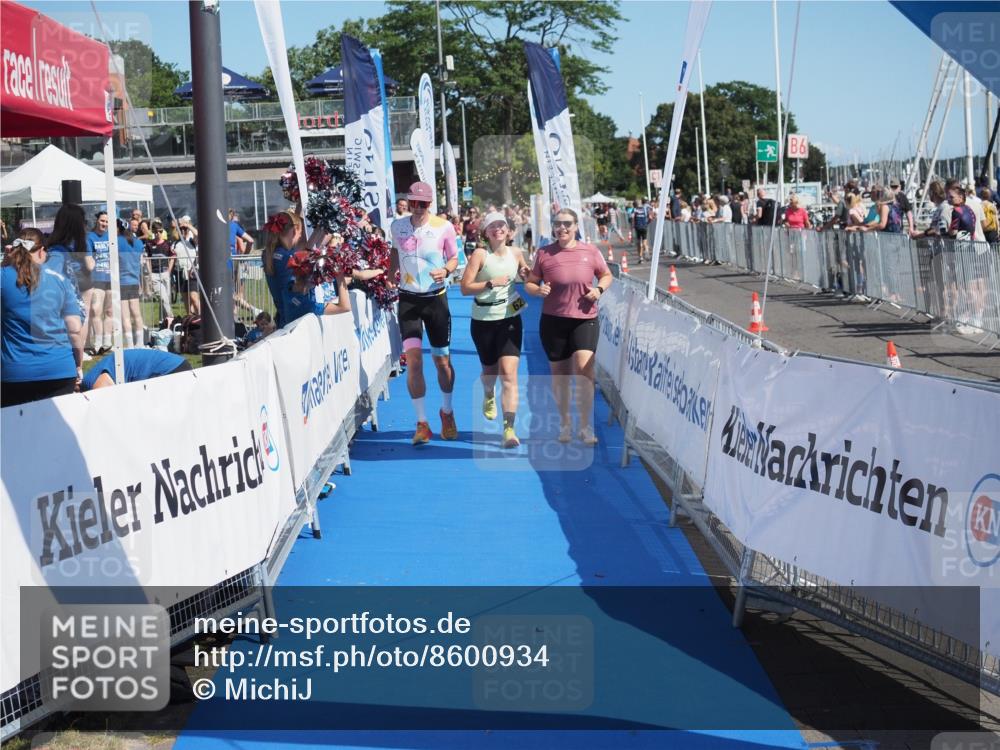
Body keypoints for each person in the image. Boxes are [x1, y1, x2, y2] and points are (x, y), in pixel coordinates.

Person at [524, 208, 613, 446]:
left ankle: (585, 426)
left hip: (585, 318)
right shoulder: (544, 253)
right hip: (554, 320)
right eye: (557, 224)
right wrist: (538, 290)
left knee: (584, 371)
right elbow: (530, 284)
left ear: (575, 226)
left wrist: (599, 290)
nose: (561, 228)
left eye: (567, 224)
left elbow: (606, 275)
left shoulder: (590, 251)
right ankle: (565, 424)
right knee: (560, 375)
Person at [389, 181, 460, 445]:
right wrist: (389, 274)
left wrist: (447, 270)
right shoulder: (398, 226)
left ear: (430, 204)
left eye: (423, 204)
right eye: (413, 203)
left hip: (436, 301)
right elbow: (394, 250)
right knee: (414, 361)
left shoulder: (444, 227)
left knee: (442, 362)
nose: (417, 209)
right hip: (408, 301)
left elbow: (454, 258)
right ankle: (422, 423)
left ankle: (447, 412)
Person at [459, 211, 530, 448]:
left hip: (510, 317)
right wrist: (490, 283)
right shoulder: (480, 254)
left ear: (509, 231)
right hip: (483, 319)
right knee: (490, 373)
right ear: (485, 233)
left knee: (509, 374)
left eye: (502, 225)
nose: (498, 229)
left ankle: (509, 430)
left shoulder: (517, 252)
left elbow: (528, 277)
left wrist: (527, 275)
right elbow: (465, 288)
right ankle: (488, 393)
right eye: (492, 226)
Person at [2, 229, 84, 407]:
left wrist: (4, 264)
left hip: (15, 373)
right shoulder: (60, 280)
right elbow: (74, 328)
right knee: (55, 433)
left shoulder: (3, 277)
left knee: (18, 433)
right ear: (41, 251)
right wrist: (78, 363)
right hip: (59, 370)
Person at [44, 204, 91, 359]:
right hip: (65, 310)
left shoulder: (69, 247)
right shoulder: (58, 252)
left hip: (72, 302)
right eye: (83, 221)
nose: (86, 225)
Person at [80, 349, 192, 390]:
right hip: (177, 364)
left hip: (169, 370)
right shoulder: (94, 374)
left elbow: (106, 400)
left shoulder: (91, 381)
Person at [262, 210, 300, 328]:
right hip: (293, 320)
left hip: (283, 319)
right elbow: (291, 293)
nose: (301, 237)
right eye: (301, 233)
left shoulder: (270, 253)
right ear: (294, 231)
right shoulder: (286, 257)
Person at [86, 211, 113, 354]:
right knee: (95, 310)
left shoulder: (112, 237)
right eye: (102, 221)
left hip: (111, 279)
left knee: (109, 311)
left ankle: (107, 343)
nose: (104, 224)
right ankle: (96, 343)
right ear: (97, 221)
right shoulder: (89, 237)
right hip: (96, 279)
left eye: (107, 222)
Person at [116, 218, 146, 349]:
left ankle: (129, 344)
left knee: (125, 315)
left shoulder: (116, 242)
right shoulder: (138, 243)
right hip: (134, 280)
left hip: (121, 281)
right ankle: (140, 343)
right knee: (136, 313)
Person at [144, 228, 174, 322]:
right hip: (154, 275)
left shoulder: (167, 244)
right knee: (163, 298)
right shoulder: (149, 244)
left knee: (166, 300)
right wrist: (150, 273)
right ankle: (172, 318)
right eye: (156, 232)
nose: (158, 234)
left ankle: (163, 321)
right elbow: (147, 259)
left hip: (165, 273)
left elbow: (172, 257)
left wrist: (169, 270)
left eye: (160, 232)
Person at [173, 217, 200, 316]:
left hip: (192, 273)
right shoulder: (175, 243)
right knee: (186, 303)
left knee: (194, 297)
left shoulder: (192, 241)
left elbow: (198, 234)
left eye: (185, 229)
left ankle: (201, 318)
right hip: (180, 273)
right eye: (181, 229)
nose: (183, 231)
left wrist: (187, 225)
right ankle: (192, 322)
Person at [632, 198, 652, 262]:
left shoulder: (634, 210)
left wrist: (632, 226)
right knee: (644, 241)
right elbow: (650, 217)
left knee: (638, 242)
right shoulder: (645, 209)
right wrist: (647, 223)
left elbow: (632, 218)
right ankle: (646, 251)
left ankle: (640, 257)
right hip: (644, 226)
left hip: (637, 227)